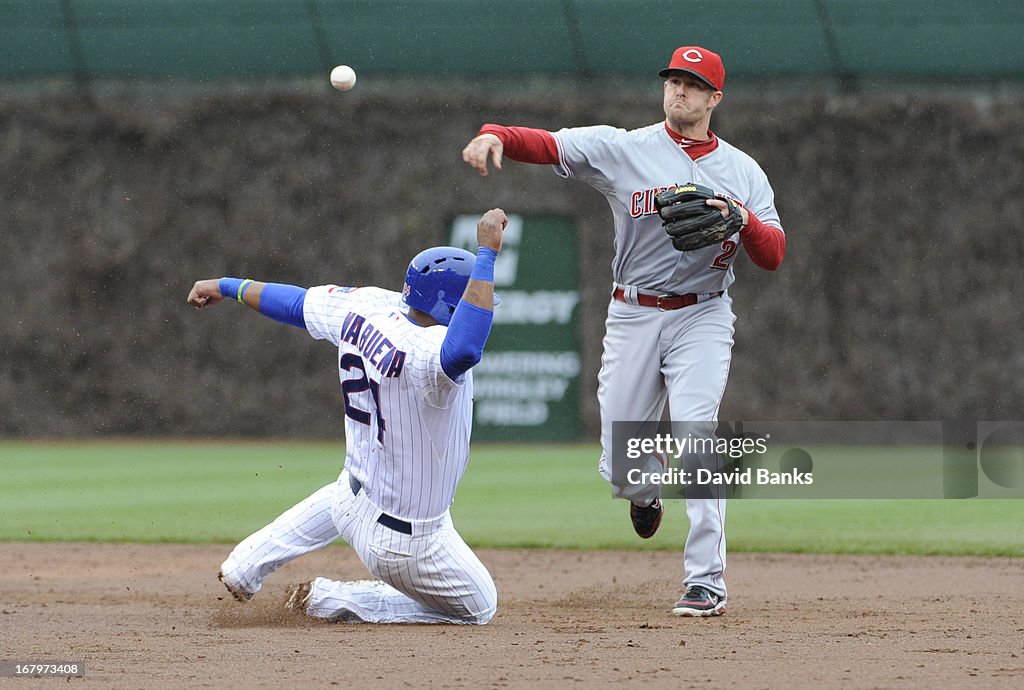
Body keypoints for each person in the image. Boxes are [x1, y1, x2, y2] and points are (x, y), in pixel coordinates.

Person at [462, 46, 785, 616]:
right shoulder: (625, 149)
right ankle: (644, 487)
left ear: (715, 98)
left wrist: (746, 220)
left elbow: (774, 254)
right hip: (634, 313)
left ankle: (706, 579)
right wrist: (496, 135)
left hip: (703, 314)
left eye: (692, 83)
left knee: (696, 436)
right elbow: (553, 144)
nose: (678, 90)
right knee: (621, 468)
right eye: (672, 80)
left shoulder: (743, 171)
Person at [187, 208, 509, 624]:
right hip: (405, 542)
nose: (483, 306)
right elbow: (466, 347)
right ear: (448, 306)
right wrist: (486, 254)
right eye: (470, 299)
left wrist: (227, 286)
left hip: (350, 497)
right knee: (480, 607)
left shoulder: (367, 306)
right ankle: (327, 598)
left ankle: (245, 567)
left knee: (345, 495)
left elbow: (295, 303)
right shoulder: (431, 354)